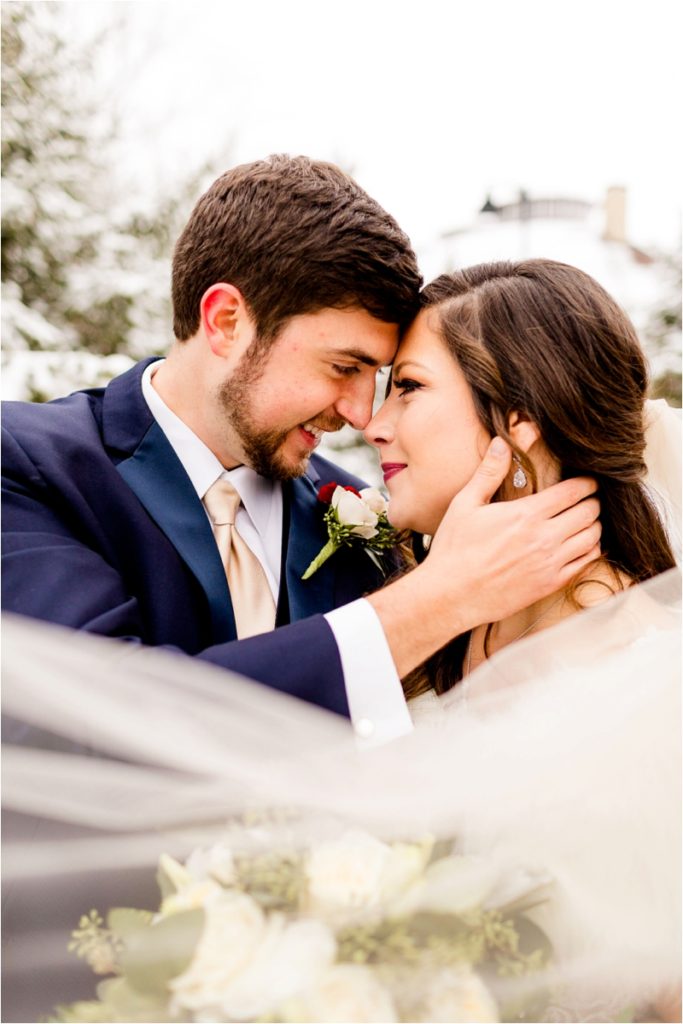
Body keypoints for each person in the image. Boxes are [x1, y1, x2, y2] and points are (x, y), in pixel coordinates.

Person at [1, 157, 600, 743]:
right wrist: (434, 601)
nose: (362, 414)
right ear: (227, 320)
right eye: (344, 366)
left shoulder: (365, 519)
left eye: (388, 379)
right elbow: (90, 723)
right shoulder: (26, 466)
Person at [363, 258, 678, 696]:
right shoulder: (438, 608)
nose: (372, 425)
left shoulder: (628, 665)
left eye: (409, 387)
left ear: (521, 418)